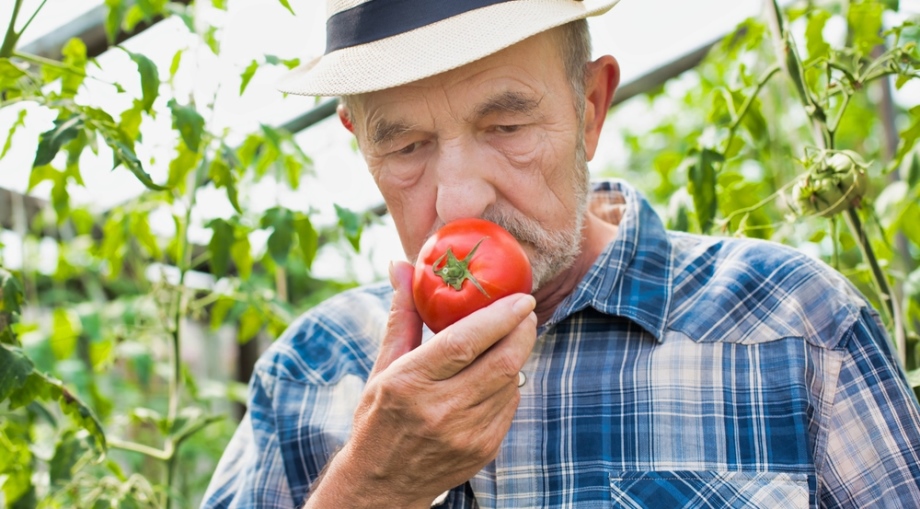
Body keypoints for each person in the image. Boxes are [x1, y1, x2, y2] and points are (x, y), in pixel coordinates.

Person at [202, 1, 920, 507]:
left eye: (507, 124)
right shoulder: (309, 372)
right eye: (406, 145)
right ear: (360, 142)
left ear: (589, 108)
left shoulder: (797, 326)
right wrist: (370, 489)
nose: (458, 201)